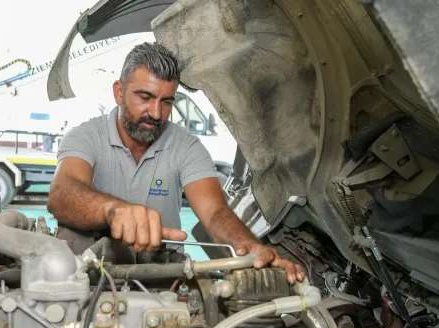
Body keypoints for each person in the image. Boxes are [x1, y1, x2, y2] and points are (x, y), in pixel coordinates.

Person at [48, 42, 304, 284]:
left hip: (164, 272)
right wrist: (112, 210)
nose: (156, 113)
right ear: (119, 92)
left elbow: (215, 213)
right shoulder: (86, 136)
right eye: (145, 97)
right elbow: (62, 194)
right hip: (94, 270)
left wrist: (250, 247)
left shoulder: (186, 146)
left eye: (166, 102)